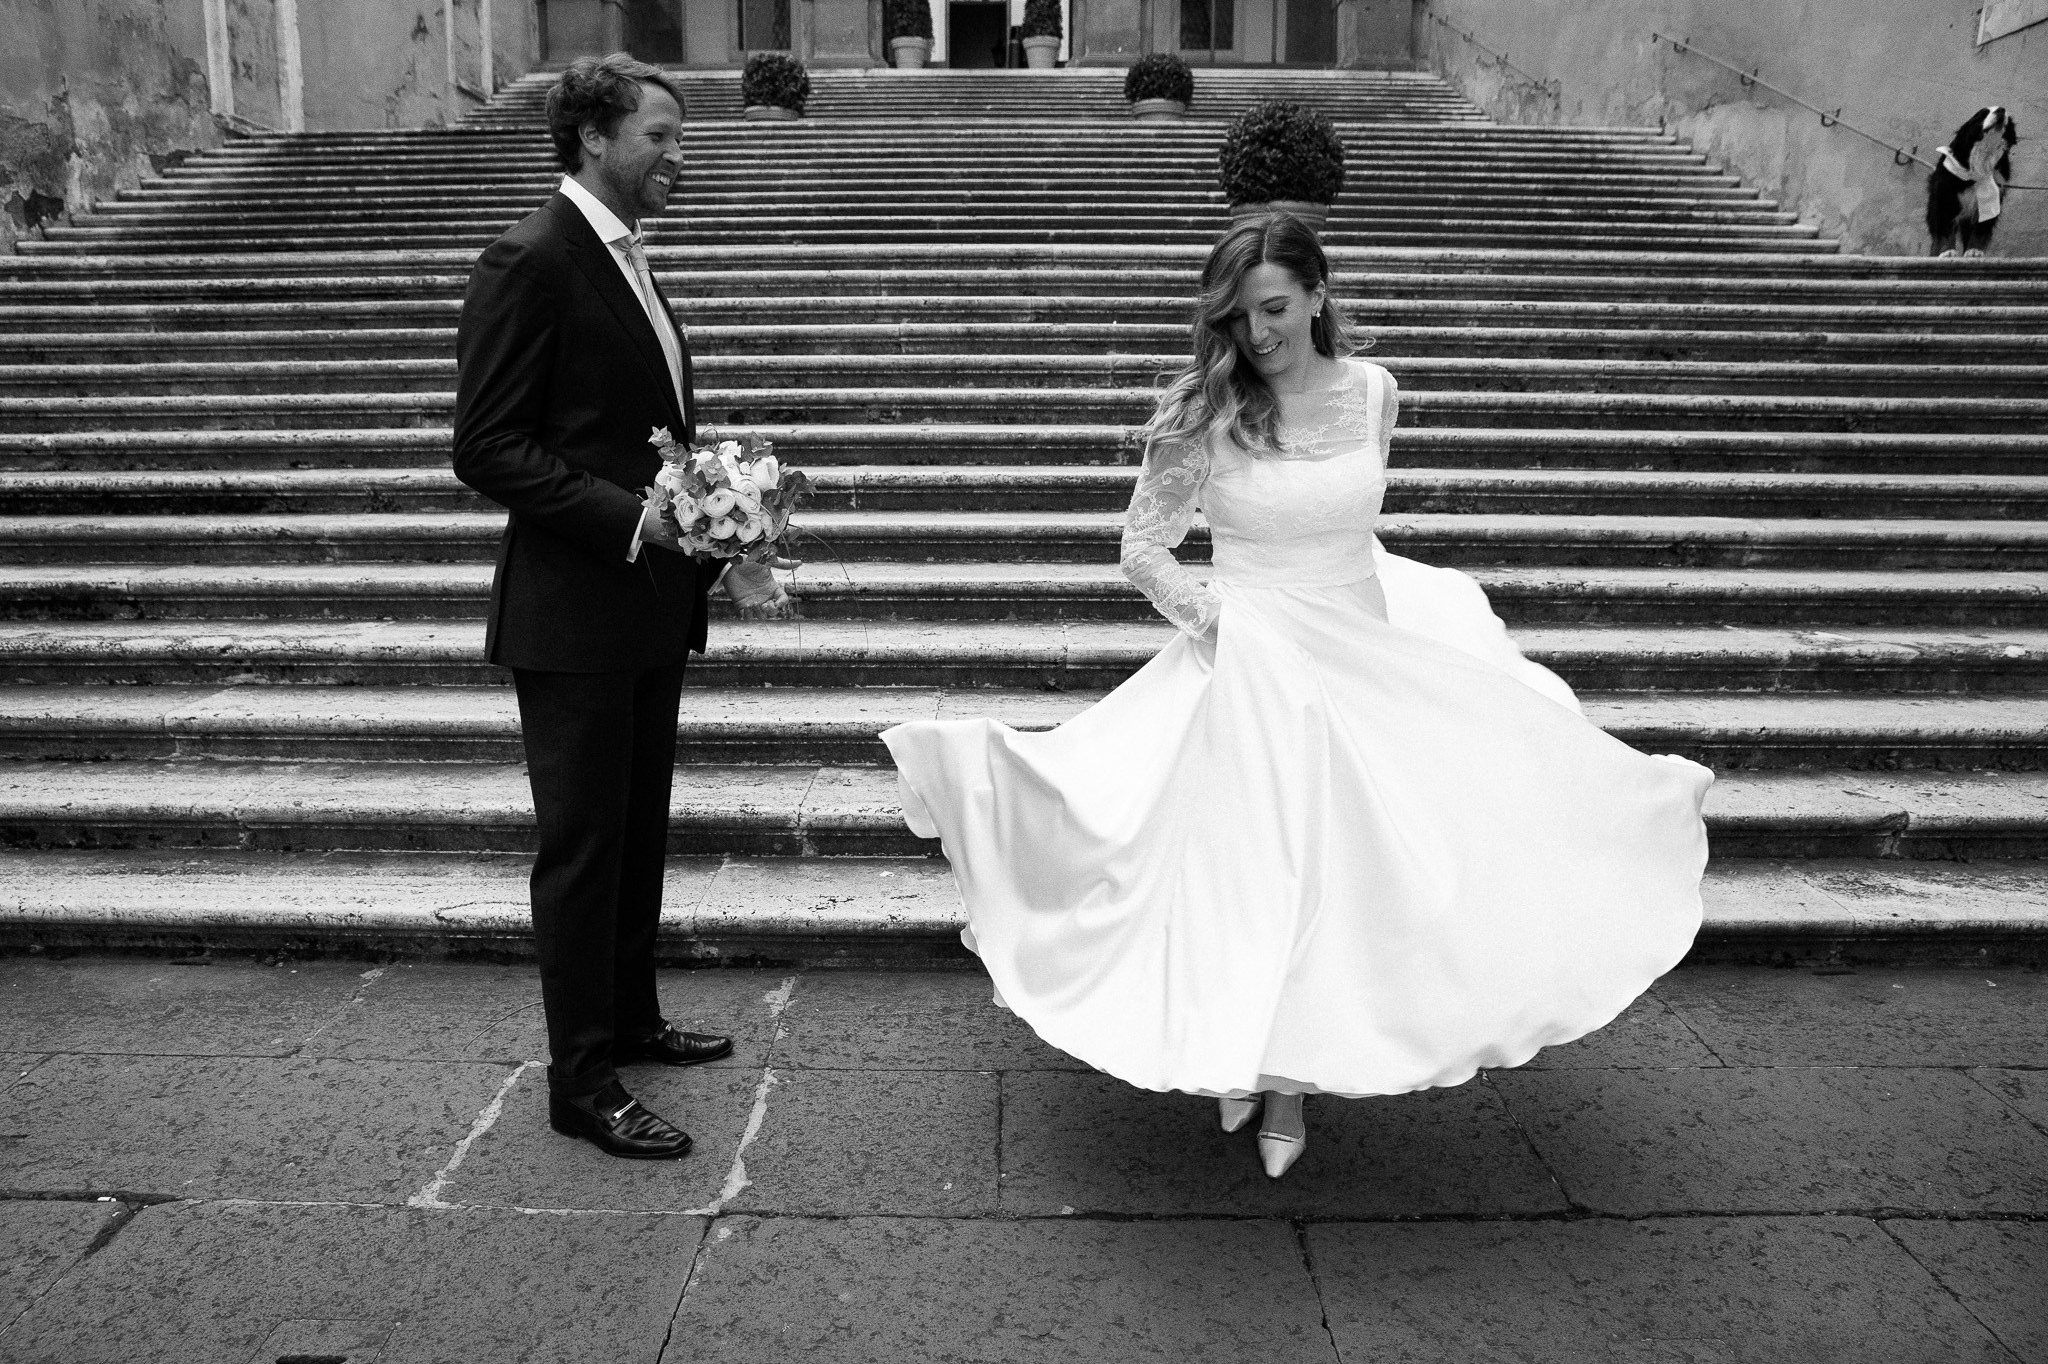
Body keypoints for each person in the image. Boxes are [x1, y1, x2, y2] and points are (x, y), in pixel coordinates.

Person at [882, 214, 1713, 1179]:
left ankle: (1289, 1076)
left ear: (1319, 295)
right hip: (1246, 661)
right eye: (1238, 317)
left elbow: (1353, 531)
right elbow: (1141, 549)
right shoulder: (1207, 407)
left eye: (1274, 308)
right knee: (1252, 870)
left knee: (1353, 875)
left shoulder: (1377, 392)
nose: (1258, 333)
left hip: (1363, 654)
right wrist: (1220, 624)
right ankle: (1246, 1053)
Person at [452, 54, 789, 1159]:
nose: (677, 155)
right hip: (573, 611)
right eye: (660, 135)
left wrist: (718, 521)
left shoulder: (627, 259)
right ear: (594, 138)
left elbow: (642, 432)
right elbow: (487, 447)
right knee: (585, 848)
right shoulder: (531, 258)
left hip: (644, 607)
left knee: (637, 831)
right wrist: (630, 520)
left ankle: (631, 1021)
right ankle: (580, 1079)